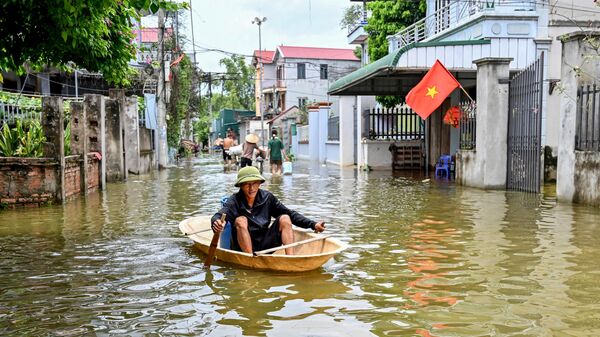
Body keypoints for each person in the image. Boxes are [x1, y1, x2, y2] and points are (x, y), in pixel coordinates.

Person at [211, 166, 326, 255]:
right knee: (241, 220)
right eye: (247, 185)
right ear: (240, 185)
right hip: (242, 247)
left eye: (255, 183)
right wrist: (217, 222)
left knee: (285, 217)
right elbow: (219, 215)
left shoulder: (267, 198)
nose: (251, 188)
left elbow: (290, 214)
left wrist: (313, 224)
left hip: (265, 244)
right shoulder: (234, 200)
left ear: (259, 184)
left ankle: (290, 258)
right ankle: (250, 259)